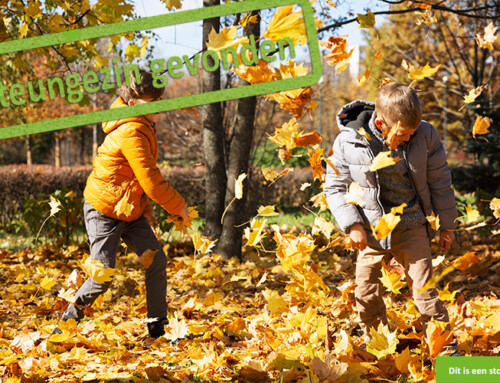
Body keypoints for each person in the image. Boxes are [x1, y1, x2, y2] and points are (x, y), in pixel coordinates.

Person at [324, 82, 459, 355]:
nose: (409, 138)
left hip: (411, 225)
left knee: (426, 294)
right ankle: (382, 350)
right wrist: (353, 225)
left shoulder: (426, 135)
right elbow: (334, 187)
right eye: (403, 133)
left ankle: (449, 360)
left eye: (413, 132)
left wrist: (447, 227)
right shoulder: (349, 141)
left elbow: (441, 182)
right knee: (366, 294)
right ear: (381, 122)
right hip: (372, 230)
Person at [54, 70, 188, 339]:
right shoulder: (132, 131)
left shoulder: (143, 124)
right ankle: (64, 327)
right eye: (154, 103)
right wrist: (179, 206)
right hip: (103, 210)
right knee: (102, 276)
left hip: (128, 208)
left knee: (156, 261)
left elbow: (135, 177)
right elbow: (150, 179)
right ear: (132, 103)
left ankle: (157, 327)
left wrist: (146, 211)